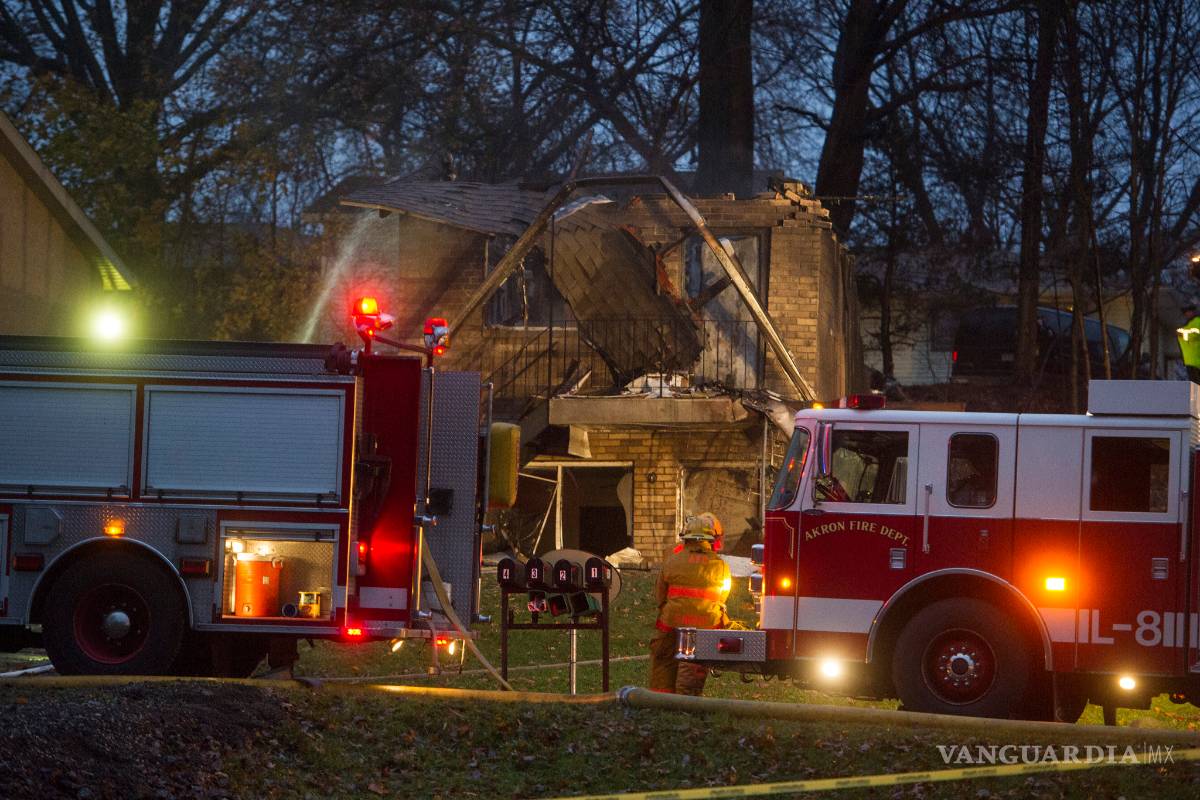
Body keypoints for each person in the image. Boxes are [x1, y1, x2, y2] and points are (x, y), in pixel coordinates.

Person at [648, 512, 732, 695]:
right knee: (693, 665)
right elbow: (722, 596)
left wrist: (667, 610)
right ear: (710, 539)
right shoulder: (721, 566)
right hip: (705, 625)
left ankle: (659, 703)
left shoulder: (672, 561)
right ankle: (687, 704)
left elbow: (660, 593)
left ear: (686, 538)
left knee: (663, 661)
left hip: (671, 622)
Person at [1177, 303, 1200, 383]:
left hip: (1195, 359)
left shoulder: (1197, 321)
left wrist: (1181, 333)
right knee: (1194, 382)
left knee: (1196, 381)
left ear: (1193, 312)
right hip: (1190, 359)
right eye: (1185, 312)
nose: (1186, 314)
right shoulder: (1189, 324)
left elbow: (1195, 334)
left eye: (1188, 311)